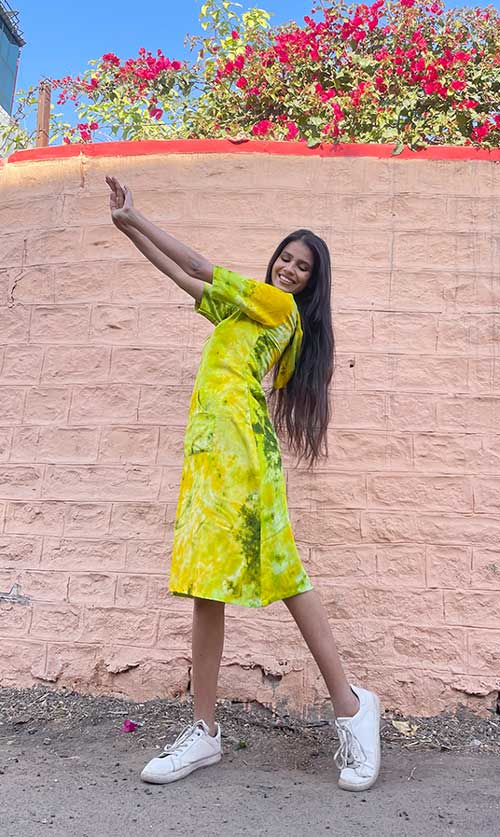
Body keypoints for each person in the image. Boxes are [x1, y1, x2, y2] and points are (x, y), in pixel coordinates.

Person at [106, 175, 381, 792]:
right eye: (284, 258)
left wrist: (141, 215)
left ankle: (354, 708)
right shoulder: (247, 309)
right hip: (209, 456)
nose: (288, 270)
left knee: (283, 572)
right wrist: (128, 230)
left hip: (245, 457)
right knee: (206, 583)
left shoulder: (277, 308)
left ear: (312, 283)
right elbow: (186, 279)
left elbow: (201, 261)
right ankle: (203, 733)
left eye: (302, 267)